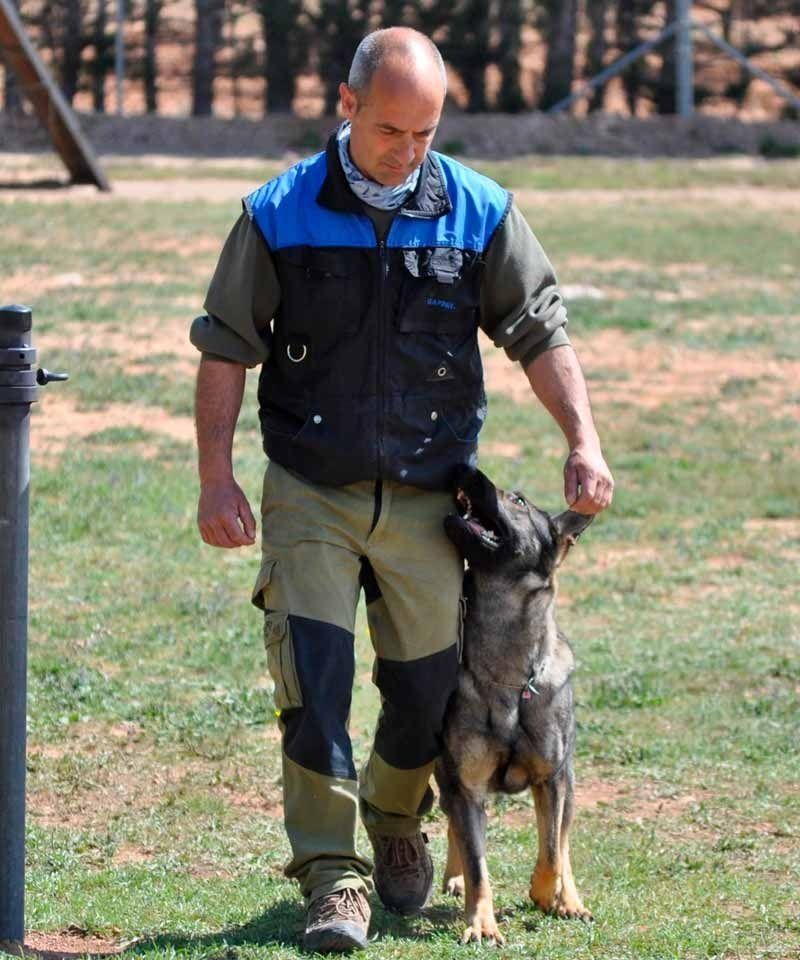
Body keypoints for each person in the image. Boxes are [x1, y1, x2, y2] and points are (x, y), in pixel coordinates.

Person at [190, 26, 613, 954]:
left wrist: (581, 435)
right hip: (313, 487)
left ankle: (392, 817)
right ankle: (331, 880)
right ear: (345, 107)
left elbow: (538, 328)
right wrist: (216, 476)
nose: (409, 151)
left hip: (432, 498)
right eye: (391, 130)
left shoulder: (480, 209)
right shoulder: (278, 211)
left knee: (427, 696)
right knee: (315, 681)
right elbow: (226, 343)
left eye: (426, 132)